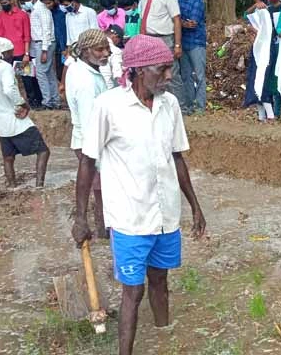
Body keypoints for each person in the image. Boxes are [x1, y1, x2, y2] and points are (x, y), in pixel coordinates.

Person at [71, 34, 207, 355]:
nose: (169, 76)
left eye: (170, 68)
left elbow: (177, 157)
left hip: (165, 217)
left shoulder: (169, 104)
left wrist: (195, 207)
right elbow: (88, 162)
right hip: (130, 219)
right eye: (162, 70)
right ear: (137, 70)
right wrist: (81, 216)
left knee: (160, 281)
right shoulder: (108, 106)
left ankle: (164, 338)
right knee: (133, 292)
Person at [66, 29, 111, 238]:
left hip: (88, 139)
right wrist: (98, 156)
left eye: (107, 49)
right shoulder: (86, 82)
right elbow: (89, 122)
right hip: (90, 143)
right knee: (103, 189)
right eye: (99, 49)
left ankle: (102, 229)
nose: (105, 54)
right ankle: (104, 229)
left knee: (101, 189)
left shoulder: (81, 70)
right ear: (85, 51)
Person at [0, 37, 50, 187]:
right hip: (15, 117)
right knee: (43, 151)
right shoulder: (4, 67)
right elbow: (9, 89)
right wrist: (23, 104)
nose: (12, 55)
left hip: (1, 122)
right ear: (4, 52)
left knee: (8, 157)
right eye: (10, 52)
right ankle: (39, 186)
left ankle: (13, 188)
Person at [137, 0, 185, 112]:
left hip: (165, 39)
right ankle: (159, 104)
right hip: (148, 40)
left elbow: (176, 20)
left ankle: (180, 106)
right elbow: (142, 20)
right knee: (152, 73)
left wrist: (177, 44)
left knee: (171, 73)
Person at [0, 0, 43, 109]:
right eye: (2, 3)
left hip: (20, 52)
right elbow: (0, 36)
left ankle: (35, 102)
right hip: (6, 54)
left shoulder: (22, 15)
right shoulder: (0, 16)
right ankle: (15, 103)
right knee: (9, 80)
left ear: (12, 1)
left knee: (27, 80)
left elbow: (27, 36)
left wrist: (26, 53)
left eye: (6, 2)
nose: (4, 5)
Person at [22, 0, 60, 110]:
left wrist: (44, 50)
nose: (25, 3)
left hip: (44, 44)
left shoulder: (42, 9)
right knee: (48, 72)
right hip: (40, 44)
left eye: (27, 0)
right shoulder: (34, 9)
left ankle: (47, 101)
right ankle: (54, 100)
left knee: (41, 73)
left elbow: (46, 31)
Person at [244, 0, 276, 121]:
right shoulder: (263, 10)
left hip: (264, 51)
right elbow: (246, 15)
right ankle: (261, 116)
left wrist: (252, 30)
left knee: (260, 81)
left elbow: (264, 33)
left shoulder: (264, 11)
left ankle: (269, 115)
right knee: (256, 80)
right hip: (260, 50)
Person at [177, 0, 207, 115]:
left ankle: (200, 107)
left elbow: (192, 23)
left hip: (196, 41)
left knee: (200, 76)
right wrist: (182, 23)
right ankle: (188, 106)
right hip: (183, 42)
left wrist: (179, 22)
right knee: (185, 76)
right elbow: (179, 21)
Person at [41, 0, 67, 84]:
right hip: (54, 47)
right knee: (58, 74)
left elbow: (61, 32)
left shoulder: (61, 13)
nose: (47, 6)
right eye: (45, 4)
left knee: (64, 73)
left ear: (55, 0)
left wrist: (64, 47)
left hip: (64, 47)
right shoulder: (46, 13)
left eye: (49, 3)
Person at [99, 25, 124, 89]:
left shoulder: (94, 45)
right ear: (116, 37)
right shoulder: (115, 50)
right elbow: (117, 73)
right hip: (107, 87)